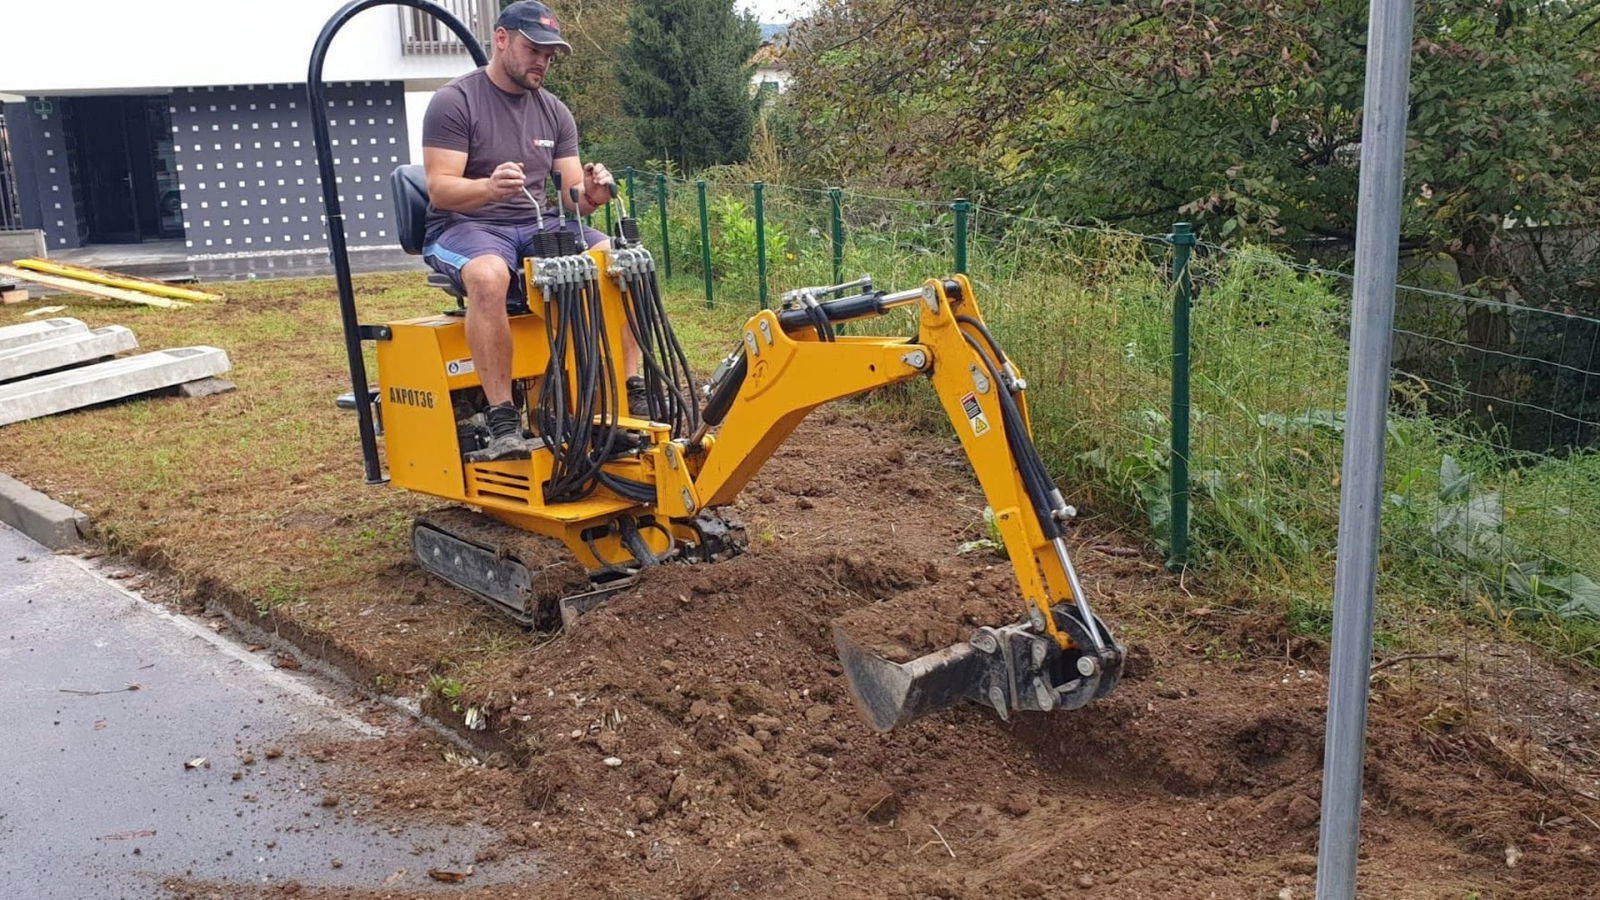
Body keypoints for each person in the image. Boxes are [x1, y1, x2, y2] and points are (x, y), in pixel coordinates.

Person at [420, 0, 632, 462]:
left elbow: (571, 195)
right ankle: (501, 419)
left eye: (550, 54)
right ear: (501, 40)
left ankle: (628, 398)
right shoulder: (455, 101)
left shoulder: (554, 111)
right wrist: (489, 188)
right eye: (534, 49)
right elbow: (440, 190)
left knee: (624, 261)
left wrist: (592, 195)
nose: (543, 61)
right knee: (490, 276)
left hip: (537, 223)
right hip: (466, 225)